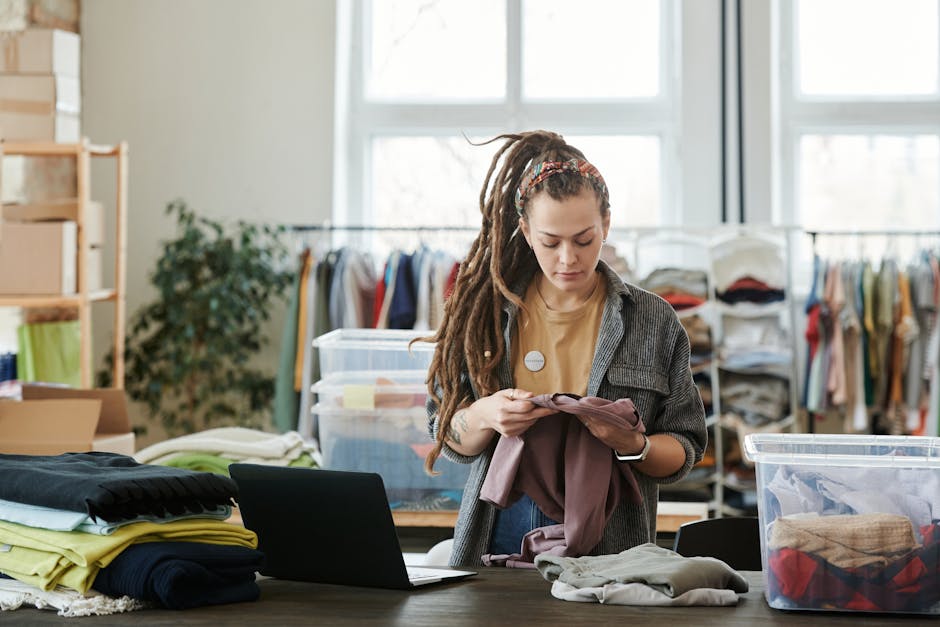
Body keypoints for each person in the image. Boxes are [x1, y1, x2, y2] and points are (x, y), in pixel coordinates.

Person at [423, 130, 707, 568]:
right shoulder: (487, 315)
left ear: (606, 224)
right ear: (525, 230)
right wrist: (486, 415)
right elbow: (445, 432)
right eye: (550, 242)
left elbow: (685, 449)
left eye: (584, 239)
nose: (567, 259)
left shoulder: (653, 320)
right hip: (499, 526)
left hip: (612, 541)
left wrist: (633, 444)